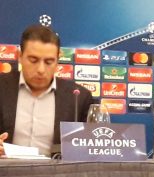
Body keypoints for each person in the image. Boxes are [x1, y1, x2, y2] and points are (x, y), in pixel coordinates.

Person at [0, 25, 94, 156]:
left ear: (58, 61)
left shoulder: (79, 97)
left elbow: (91, 150)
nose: (41, 69)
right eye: (33, 60)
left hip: (57, 175)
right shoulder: (2, 87)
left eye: (49, 62)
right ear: (20, 56)